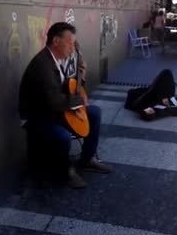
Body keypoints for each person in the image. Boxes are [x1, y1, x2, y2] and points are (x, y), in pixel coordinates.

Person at [19, 22, 112, 189]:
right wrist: (78, 101)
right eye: (69, 43)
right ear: (56, 41)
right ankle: (64, 171)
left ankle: (87, 159)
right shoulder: (42, 65)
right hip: (38, 115)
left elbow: (64, 89)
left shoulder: (56, 60)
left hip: (54, 110)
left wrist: (81, 79)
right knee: (62, 135)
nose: (72, 47)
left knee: (94, 112)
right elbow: (54, 102)